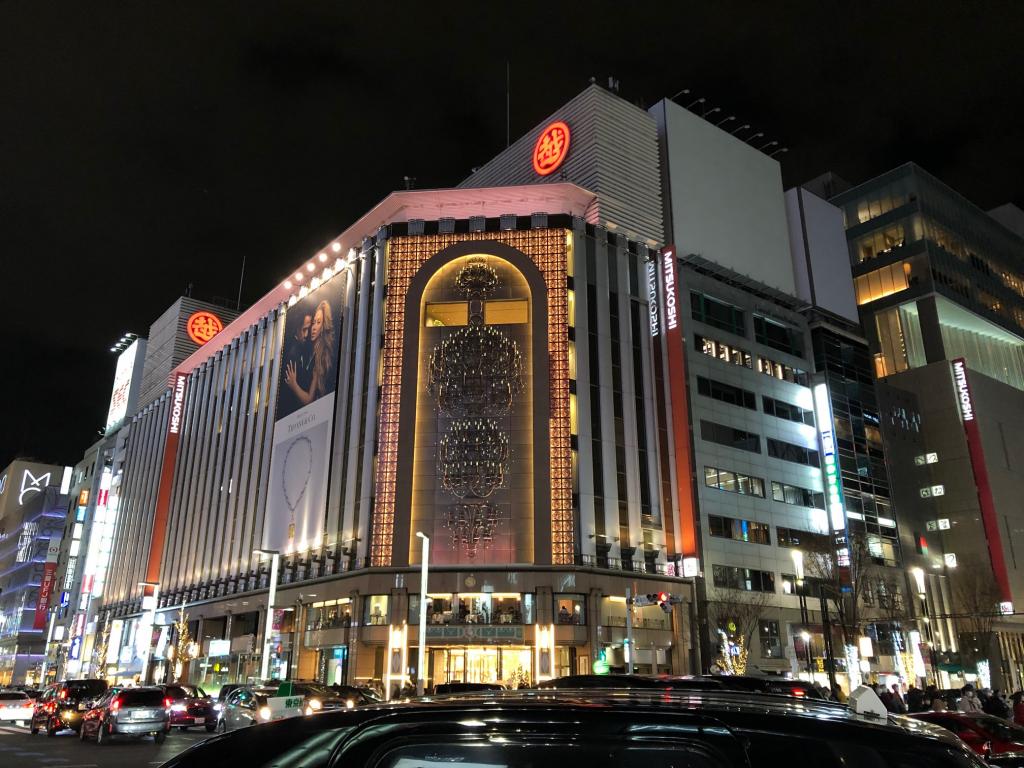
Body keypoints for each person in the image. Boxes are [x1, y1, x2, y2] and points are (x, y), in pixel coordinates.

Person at [284, 300, 336, 406]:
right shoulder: (308, 350)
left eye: (318, 323)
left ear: (324, 326)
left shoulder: (320, 357)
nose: (313, 328)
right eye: (313, 323)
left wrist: (294, 385)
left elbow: (309, 400)